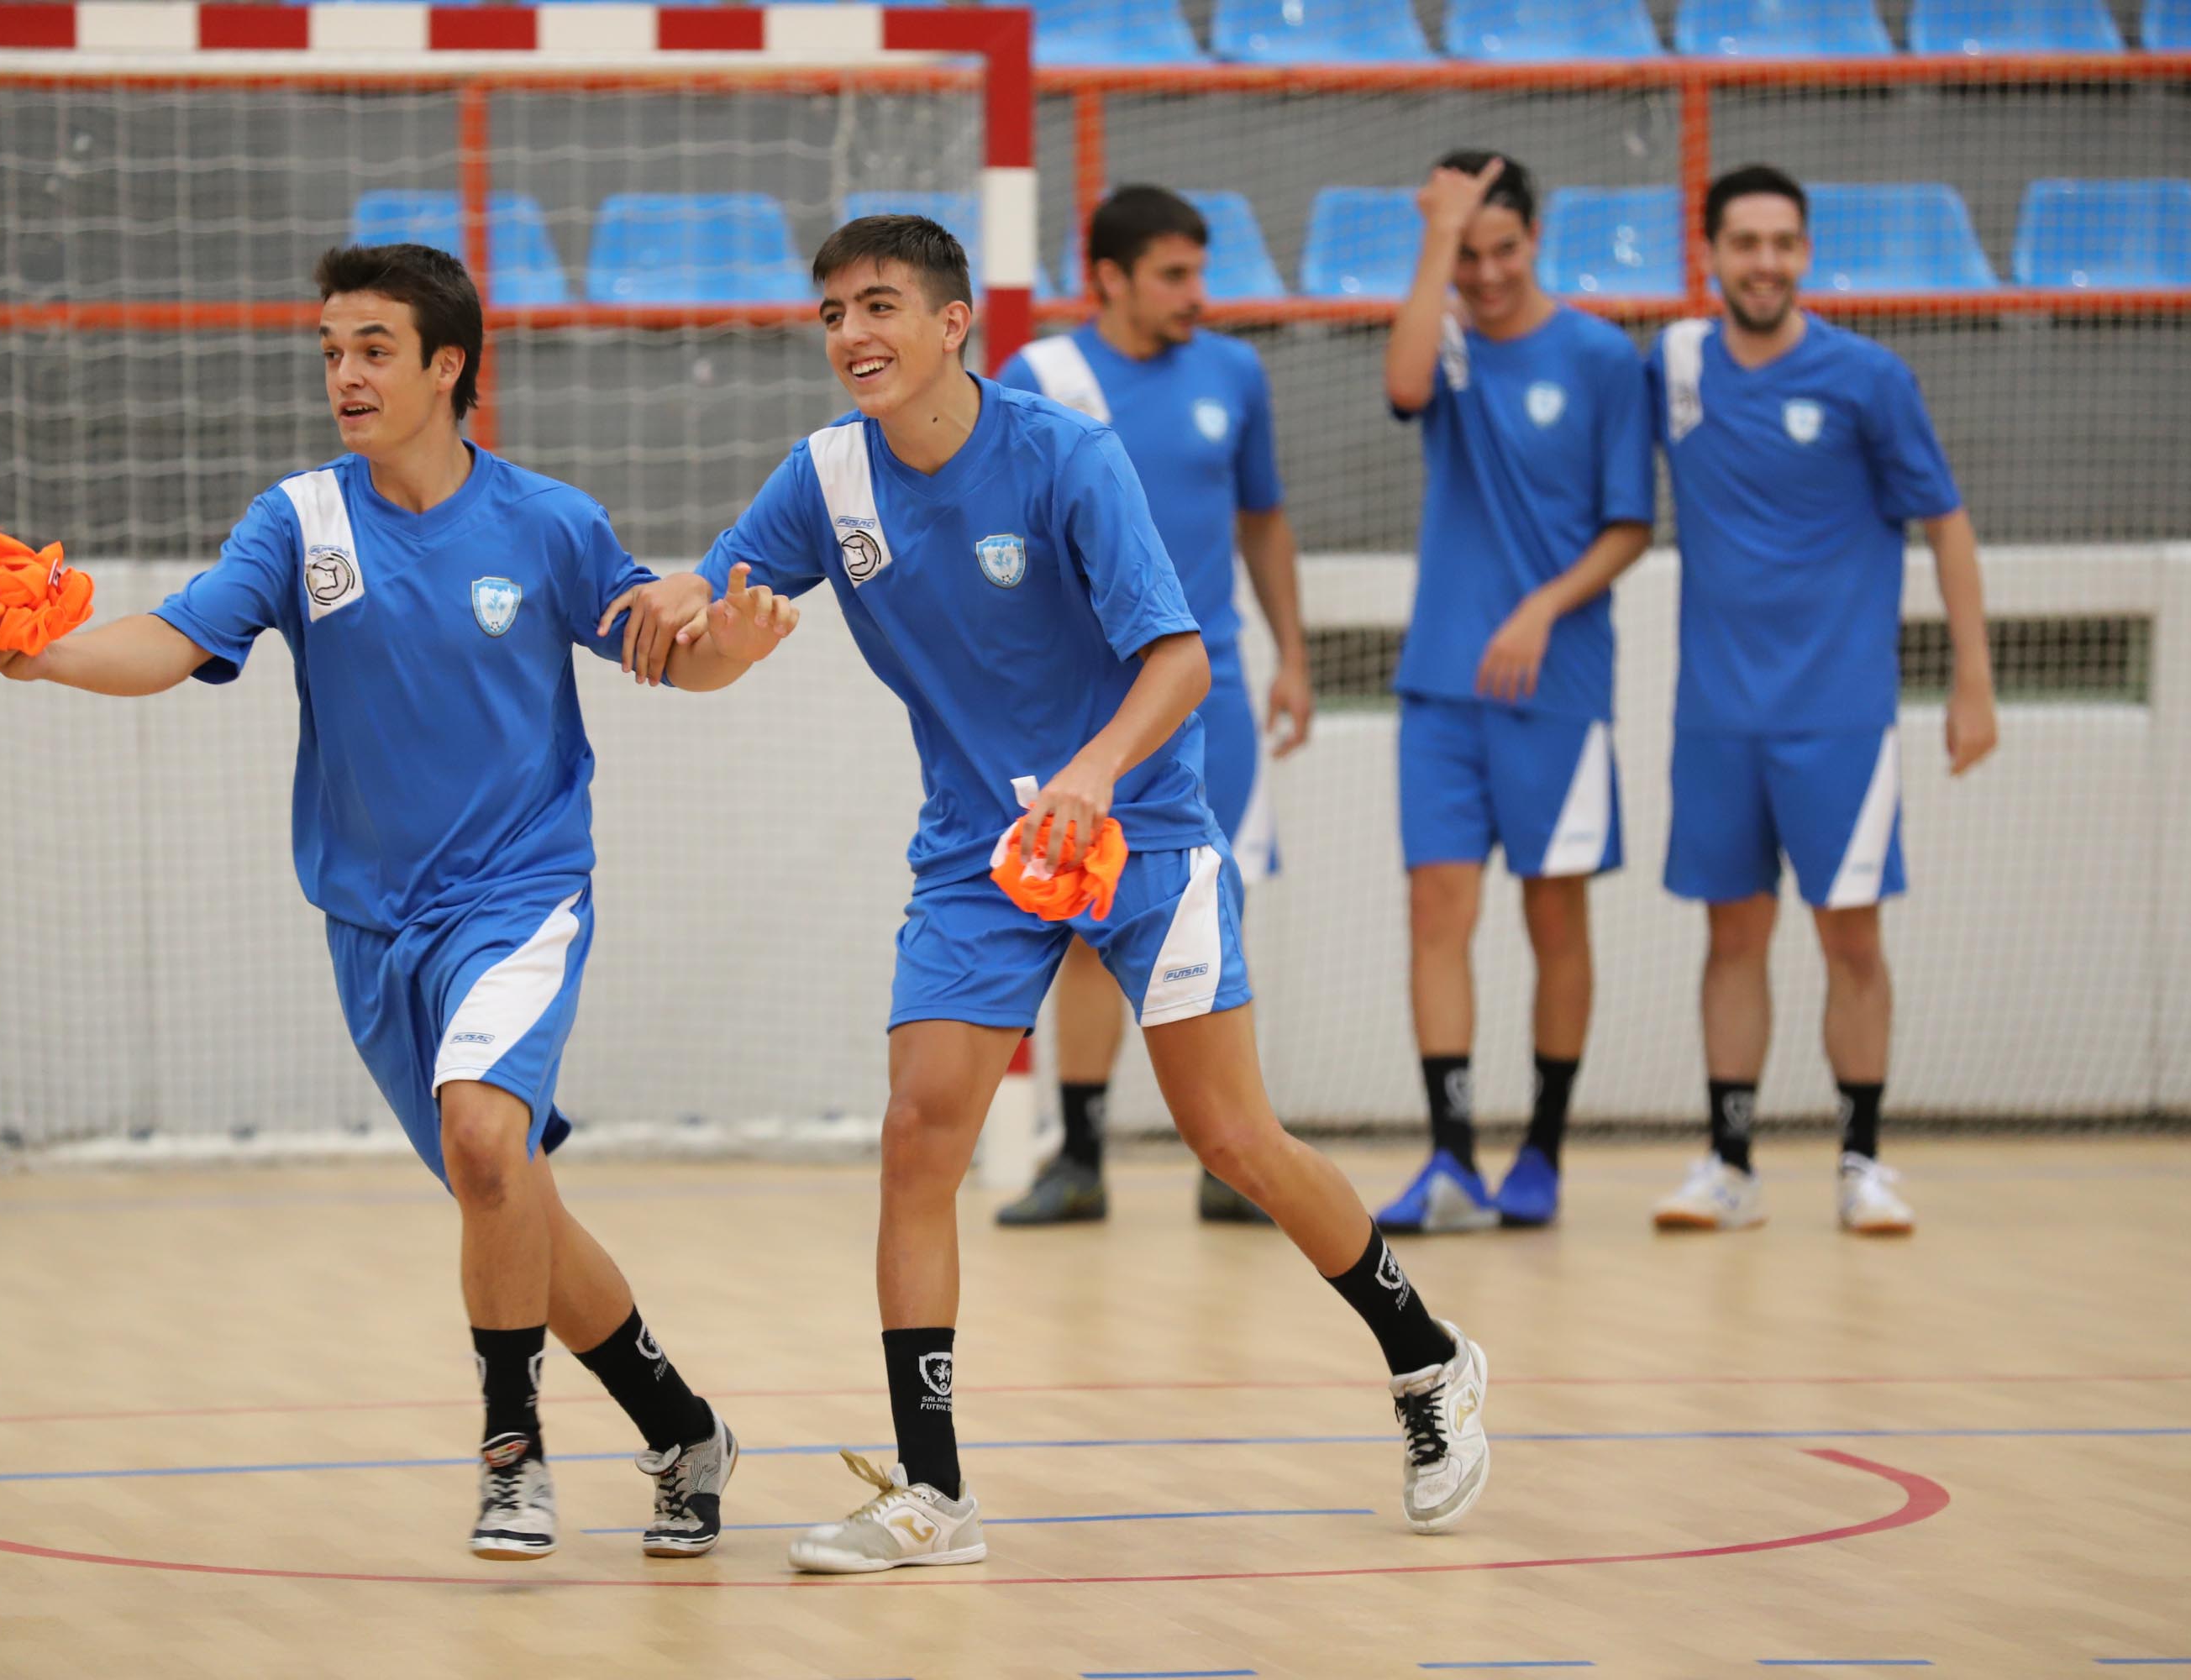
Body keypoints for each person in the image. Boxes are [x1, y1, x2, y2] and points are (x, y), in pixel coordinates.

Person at [631, 214, 1491, 1574]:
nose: (853, 335)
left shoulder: (1066, 458)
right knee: (921, 1134)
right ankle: (935, 1492)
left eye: (880, 307)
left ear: (953, 322)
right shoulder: (827, 480)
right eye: (833, 315)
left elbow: (1183, 663)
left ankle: (1429, 1362)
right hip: (983, 852)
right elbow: (722, 631)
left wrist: (1091, 774)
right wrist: (703, 624)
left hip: (1142, 830)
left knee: (1233, 1140)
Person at [0, 243, 802, 1562]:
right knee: (506, 1191)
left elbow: (668, 653)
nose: (344, 374)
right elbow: (175, 642)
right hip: (371, 929)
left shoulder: (548, 522)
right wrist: (46, 654)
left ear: (447, 365)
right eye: (331, 350)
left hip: (521, 894)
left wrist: (726, 656)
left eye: (373, 350)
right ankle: (687, 1432)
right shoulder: (298, 521)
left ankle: (511, 1456)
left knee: (482, 1143)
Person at [1646, 165, 1999, 1235]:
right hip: (1714, 714)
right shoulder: (1673, 364)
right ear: (1710, 255)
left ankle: (1862, 1163)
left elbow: (1946, 523)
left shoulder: (1869, 377)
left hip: (1839, 716)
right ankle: (1730, 1164)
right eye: (1744, 242)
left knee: (1851, 938)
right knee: (1732, 937)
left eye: (1782, 243)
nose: (1764, 261)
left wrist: (1971, 679)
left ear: (1806, 254)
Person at [993, 183, 1311, 1227]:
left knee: (1215, 917)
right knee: (1088, 919)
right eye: (1173, 274)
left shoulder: (1237, 371)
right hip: (1089, 710)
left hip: (1204, 694)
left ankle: (1232, 1156)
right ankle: (1078, 1154)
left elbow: (1263, 521)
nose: (1196, 294)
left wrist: (1292, 657)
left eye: (1200, 270)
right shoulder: (1043, 376)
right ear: (1110, 279)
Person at [1375, 151, 1656, 1235]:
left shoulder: (1597, 355)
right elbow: (1401, 387)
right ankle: (1451, 1156)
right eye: (1467, 253)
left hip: (1558, 682)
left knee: (1556, 914)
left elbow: (1631, 522)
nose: (1486, 275)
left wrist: (1544, 605)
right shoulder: (1439, 340)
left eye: (1503, 250)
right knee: (1436, 913)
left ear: (1535, 240)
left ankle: (1543, 1148)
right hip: (1441, 683)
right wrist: (1434, 240)